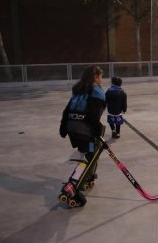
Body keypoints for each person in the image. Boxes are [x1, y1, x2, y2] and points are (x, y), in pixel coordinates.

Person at [59, 65, 106, 207]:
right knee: (90, 155)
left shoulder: (79, 89)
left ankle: (88, 175)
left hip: (73, 129)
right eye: (101, 76)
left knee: (89, 153)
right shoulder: (96, 91)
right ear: (96, 77)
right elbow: (92, 115)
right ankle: (72, 185)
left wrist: (63, 126)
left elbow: (67, 110)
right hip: (84, 131)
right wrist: (98, 130)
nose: (102, 79)